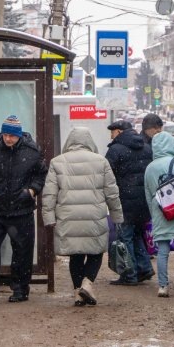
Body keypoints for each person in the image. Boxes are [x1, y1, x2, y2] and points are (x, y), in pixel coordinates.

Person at [42, 128, 123, 306]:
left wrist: (49, 218)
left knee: (75, 255)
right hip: (94, 216)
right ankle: (87, 283)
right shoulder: (101, 162)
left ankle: (78, 292)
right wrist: (117, 216)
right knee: (96, 251)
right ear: (90, 142)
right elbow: (112, 192)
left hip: (68, 217)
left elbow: (49, 194)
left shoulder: (57, 162)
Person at [0, 115, 47, 302]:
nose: (8, 139)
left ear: (19, 135)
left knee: (22, 252)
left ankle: (21, 289)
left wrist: (31, 191)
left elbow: (41, 174)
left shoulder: (32, 151)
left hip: (22, 210)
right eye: (5, 134)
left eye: (12, 136)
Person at [105, 119, 155, 286]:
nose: (111, 135)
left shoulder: (115, 150)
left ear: (119, 132)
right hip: (143, 200)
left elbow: (107, 175)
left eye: (112, 131)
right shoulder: (146, 147)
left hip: (124, 200)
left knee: (124, 237)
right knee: (137, 234)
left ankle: (129, 274)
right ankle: (144, 268)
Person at [144, 131, 174, 298]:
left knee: (162, 249)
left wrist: (154, 214)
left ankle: (163, 286)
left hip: (160, 210)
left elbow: (148, 193)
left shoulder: (150, 167)